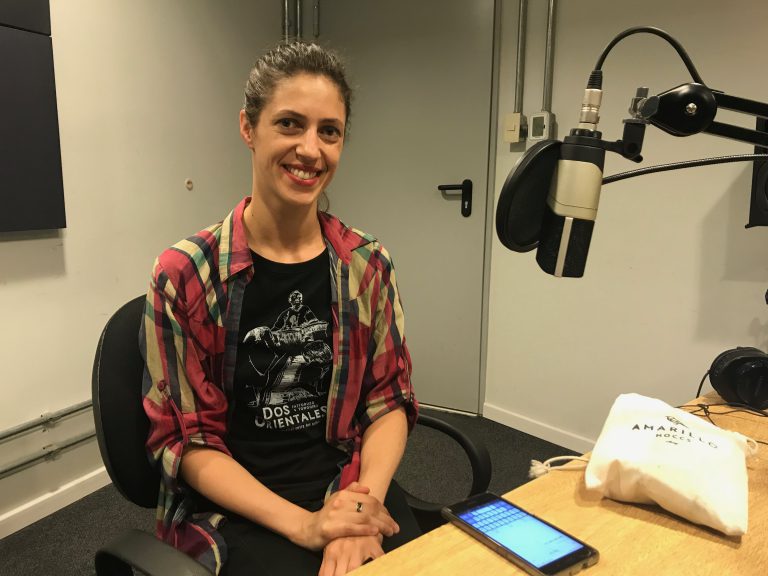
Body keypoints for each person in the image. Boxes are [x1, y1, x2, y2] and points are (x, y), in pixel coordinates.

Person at [139, 41, 420, 576]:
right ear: (248, 127)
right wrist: (307, 526)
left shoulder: (366, 264)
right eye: (290, 124)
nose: (310, 150)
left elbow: (388, 400)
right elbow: (188, 440)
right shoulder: (184, 275)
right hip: (237, 507)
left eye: (329, 131)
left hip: (348, 485)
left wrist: (359, 511)